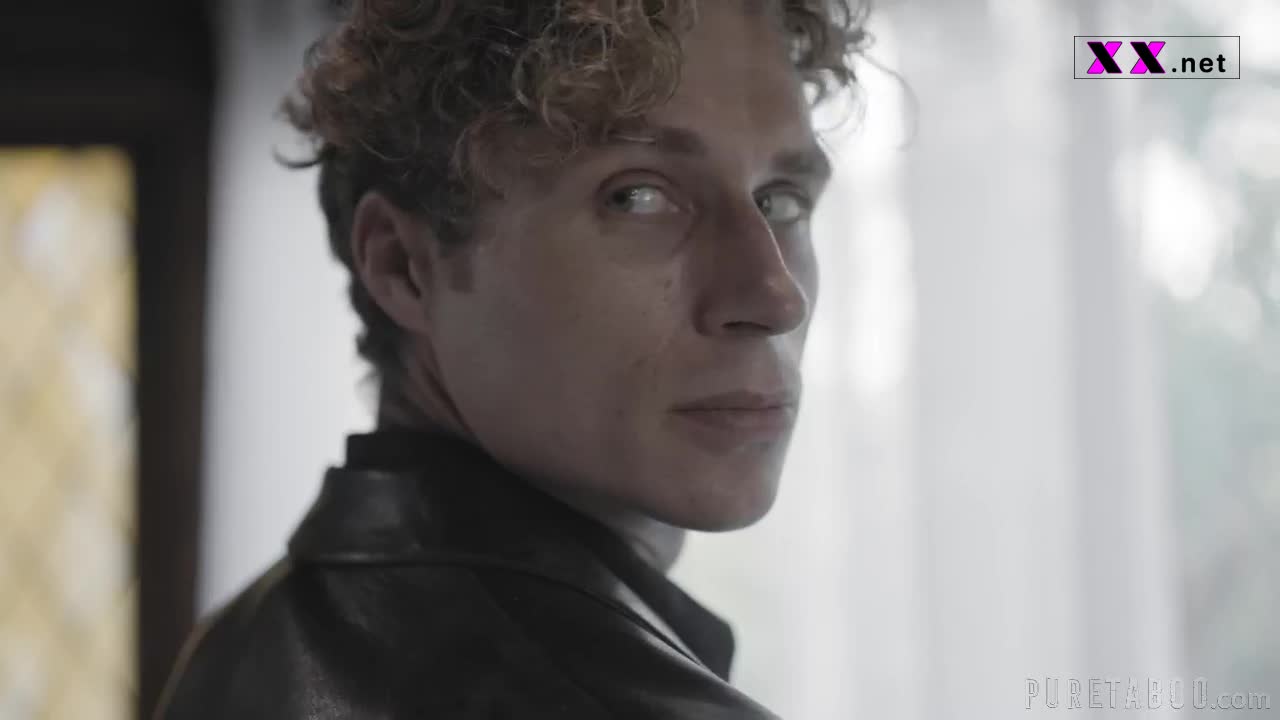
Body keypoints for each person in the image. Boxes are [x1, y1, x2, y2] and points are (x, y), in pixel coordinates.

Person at [156, 0, 866, 717]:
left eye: (781, 201)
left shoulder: (237, 644)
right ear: (403, 265)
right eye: (638, 196)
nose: (776, 296)